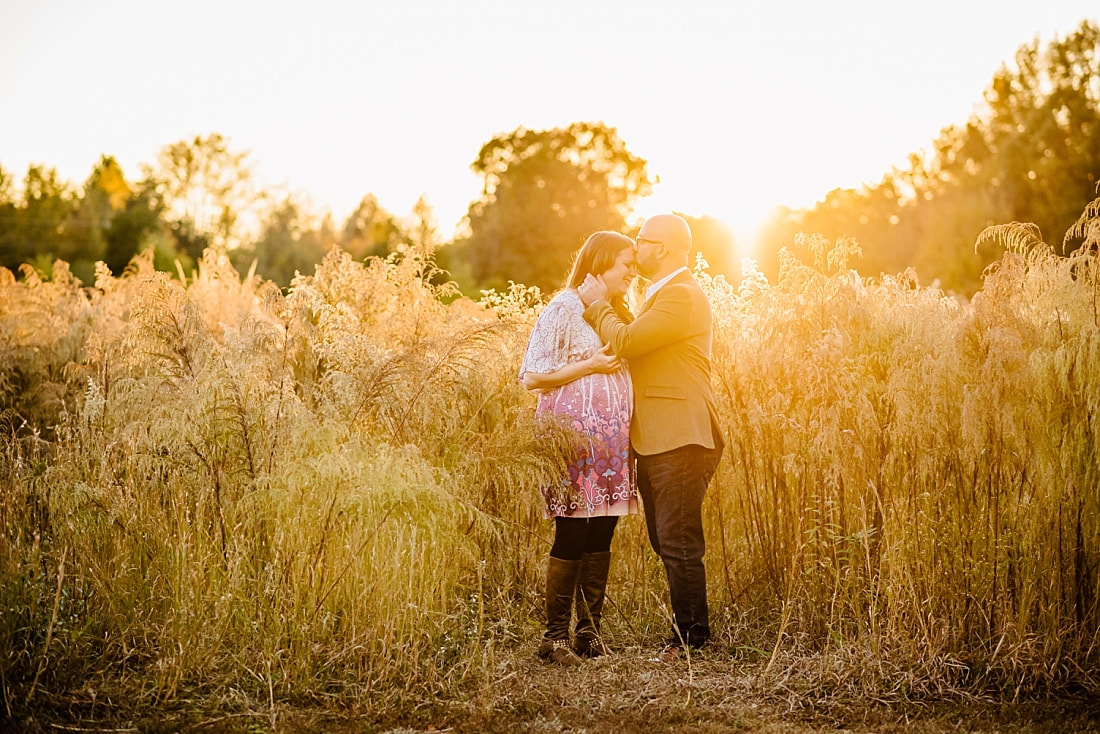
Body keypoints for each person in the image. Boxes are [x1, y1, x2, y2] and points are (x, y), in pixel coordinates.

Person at [577, 213, 724, 662]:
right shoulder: (661, 295)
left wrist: (595, 302)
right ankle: (689, 630)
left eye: (641, 240)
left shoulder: (681, 296)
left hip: (682, 435)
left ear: (661, 248)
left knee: (678, 541)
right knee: (668, 540)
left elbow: (625, 342)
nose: (635, 248)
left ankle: (693, 640)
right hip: (660, 436)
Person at [519, 231, 640, 666]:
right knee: (572, 528)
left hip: (611, 443)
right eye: (626, 263)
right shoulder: (564, 307)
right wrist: (589, 364)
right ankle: (553, 640)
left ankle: (588, 633)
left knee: (603, 529)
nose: (632, 271)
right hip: (573, 440)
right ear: (601, 263)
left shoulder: (614, 311)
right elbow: (532, 376)